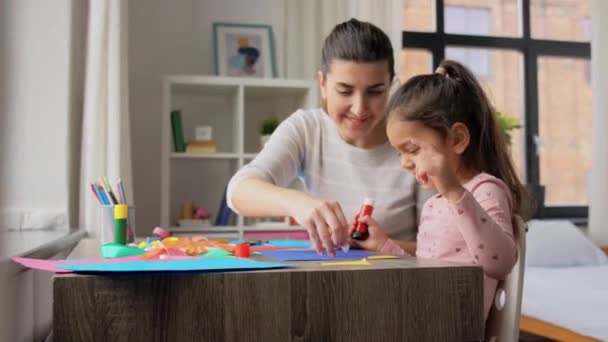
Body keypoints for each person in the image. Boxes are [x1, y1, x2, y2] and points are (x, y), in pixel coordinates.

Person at [226, 18, 431, 256]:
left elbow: (444, 249)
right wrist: (296, 203)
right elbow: (238, 191)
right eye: (345, 91)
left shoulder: (415, 142)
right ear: (323, 84)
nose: (359, 108)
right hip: (327, 283)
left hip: (400, 284)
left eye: (375, 92)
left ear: (391, 86)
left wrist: (382, 245)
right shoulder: (307, 128)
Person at [352, 60, 531, 320]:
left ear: (457, 139)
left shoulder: (486, 190)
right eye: (399, 153)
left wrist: (455, 193)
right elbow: (426, 272)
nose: (404, 162)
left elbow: (500, 261)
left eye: (412, 149)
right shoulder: (435, 204)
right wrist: (383, 244)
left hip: (449, 328)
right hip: (424, 319)